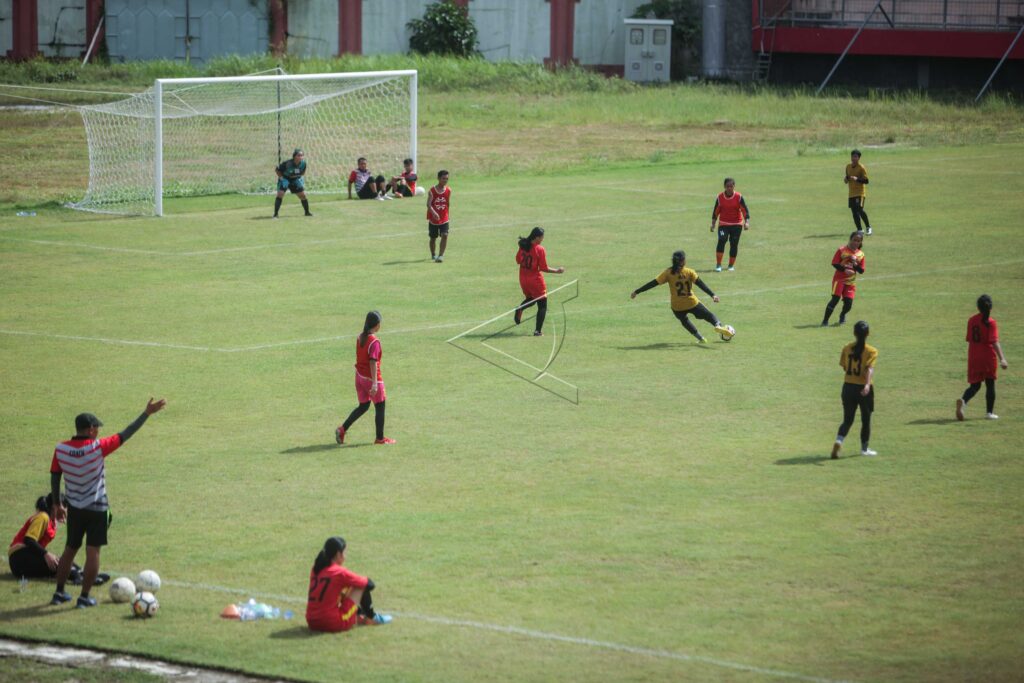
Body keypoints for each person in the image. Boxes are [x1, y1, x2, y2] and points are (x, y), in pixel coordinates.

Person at [49, 398, 166, 608]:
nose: (99, 431)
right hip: (97, 509)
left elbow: (55, 475)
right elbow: (126, 433)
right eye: (97, 428)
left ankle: (59, 593)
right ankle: (84, 597)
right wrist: (146, 413)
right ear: (91, 429)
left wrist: (58, 504)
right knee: (93, 552)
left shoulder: (61, 450)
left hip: (74, 508)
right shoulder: (97, 447)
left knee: (69, 549)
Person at [630, 250, 734, 343]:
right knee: (709, 315)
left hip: (677, 306)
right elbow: (701, 284)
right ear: (683, 261)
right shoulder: (689, 271)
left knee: (684, 321)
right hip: (691, 302)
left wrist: (637, 291)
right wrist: (712, 295)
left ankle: (701, 338)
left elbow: (652, 283)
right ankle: (717, 325)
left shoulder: (668, 273)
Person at [306, 536, 392, 632]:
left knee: (344, 587)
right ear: (339, 554)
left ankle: (359, 615)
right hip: (331, 623)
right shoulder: (340, 572)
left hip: (312, 622)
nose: (346, 556)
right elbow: (369, 584)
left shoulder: (316, 569)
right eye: (345, 552)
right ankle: (372, 618)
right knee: (359, 586)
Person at [335, 311, 395, 446]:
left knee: (364, 406)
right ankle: (380, 439)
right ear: (377, 325)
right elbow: (373, 362)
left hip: (359, 377)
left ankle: (342, 429)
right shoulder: (374, 342)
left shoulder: (360, 337)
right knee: (380, 407)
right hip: (371, 379)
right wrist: (374, 384)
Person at [8, 493, 95, 585]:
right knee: (57, 564)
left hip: (26, 557)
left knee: (64, 561)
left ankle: (87, 574)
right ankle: (80, 578)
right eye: (65, 507)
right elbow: (28, 539)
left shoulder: (51, 520)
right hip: (19, 558)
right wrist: (46, 554)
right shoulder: (43, 517)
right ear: (55, 507)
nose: (66, 510)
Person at [956, 295, 1009, 420]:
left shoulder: (971, 320)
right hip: (988, 358)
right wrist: (1002, 358)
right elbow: (994, 342)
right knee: (990, 384)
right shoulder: (991, 322)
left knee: (975, 385)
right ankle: (989, 413)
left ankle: (963, 401)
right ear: (990, 307)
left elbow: (969, 339)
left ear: (978, 307)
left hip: (974, 356)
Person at [831, 321, 877, 458]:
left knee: (847, 420)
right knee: (866, 419)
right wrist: (867, 385)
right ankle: (864, 449)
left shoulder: (847, 348)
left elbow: (845, 367)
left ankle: (838, 441)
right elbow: (869, 369)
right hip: (863, 389)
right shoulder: (871, 351)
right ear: (868, 334)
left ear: (854, 333)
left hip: (848, 387)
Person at [513, 227, 565, 336]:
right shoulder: (539, 249)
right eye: (542, 238)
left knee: (531, 298)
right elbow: (543, 268)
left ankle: (520, 308)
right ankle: (538, 331)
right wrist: (557, 271)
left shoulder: (523, 245)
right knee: (542, 305)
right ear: (536, 237)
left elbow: (518, 260)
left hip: (523, 278)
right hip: (535, 280)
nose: (542, 240)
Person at [821, 230, 866, 327]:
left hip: (850, 282)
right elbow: (834, 263)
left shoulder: (861, 254)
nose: (856, 243)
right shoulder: (842, 250)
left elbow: (861, 270)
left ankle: (842, 314)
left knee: (848, 304)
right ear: (850, 239)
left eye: (858, 241)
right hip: (839, 280)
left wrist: (855, 264)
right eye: (854, 240)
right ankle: (825, 321)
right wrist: (845, 270)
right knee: (835, 299)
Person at [710, 177, 750, 272]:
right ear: (724, 187)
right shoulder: (720, 197)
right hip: (724, 224)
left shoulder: (738, 197)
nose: (729, 188)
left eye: (731, 186)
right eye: (727, 186)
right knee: (722, 240)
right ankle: (718, 264)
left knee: (734, 244)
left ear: (734, 187)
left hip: (737, 224)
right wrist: (713, 224)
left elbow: (745, 210)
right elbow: (716, 212)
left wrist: (747, 222)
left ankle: (730, 265)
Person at [273, 148, 312, 218]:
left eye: (302, 155)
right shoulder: (287, 163)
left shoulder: (303, 163)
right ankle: (275, 214)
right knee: (280, 194)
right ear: (294, 156)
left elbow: (303, 172)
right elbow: (277, 170)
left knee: (303, 196)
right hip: (285, 179)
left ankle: (307, 212)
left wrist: (300, 178)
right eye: (299, 155)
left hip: (295, 179)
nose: (301, 157)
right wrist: (282, 179)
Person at [845, 149, 871, 235]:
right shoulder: (848, 167)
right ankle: (860, 229)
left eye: (856, 156)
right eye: (853, 156)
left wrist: (857, 179)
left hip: (860, 193)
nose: (854, 158)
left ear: (859, 158)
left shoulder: (861, 167)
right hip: (851, 193)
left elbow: (866, 181)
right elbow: (847, 178)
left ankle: (868, 227)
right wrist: (846, 179)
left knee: (860, 210)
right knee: (854, 212)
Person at [427, 170, 451, 262]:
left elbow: (447, 203)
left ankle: (441, 256)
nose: (445, 180)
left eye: (447, 179)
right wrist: (434, 213)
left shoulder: (449, 190)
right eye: (443, 178)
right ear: (438, 178)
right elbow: (428, 204)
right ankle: (433, 254)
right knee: (433, 238)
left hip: (444, 218)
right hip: (433, 219)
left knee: (445, 235)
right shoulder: (432, 191)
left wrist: (447, 215)